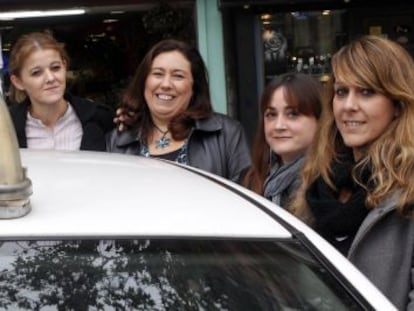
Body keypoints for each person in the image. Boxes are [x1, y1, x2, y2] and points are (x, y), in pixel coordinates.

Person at [290, 35, 414, 310]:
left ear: (398, 104)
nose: (348, 106)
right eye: (342, 91)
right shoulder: (316, 184)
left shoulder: (409, 191)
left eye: (367, 92)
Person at [107, 39, 251, 182]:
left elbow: (246, 196)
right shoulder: (117, 140)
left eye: (178, 76)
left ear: (194, 87)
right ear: (144, 81)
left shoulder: (225, 133)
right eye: (158, 74)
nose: (166, 84)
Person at [8, 31, 114, 151]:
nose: (50, 78)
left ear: (65, 66)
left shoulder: (100, 118)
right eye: (36, 73)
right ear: (18, 82)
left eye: (55, 68)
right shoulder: (6, 128)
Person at [241, 73, 322, 208]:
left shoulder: (328, 186)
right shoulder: (250, 180)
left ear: (320, 120)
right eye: (271, 115)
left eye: (293, 114)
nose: (279, 126)